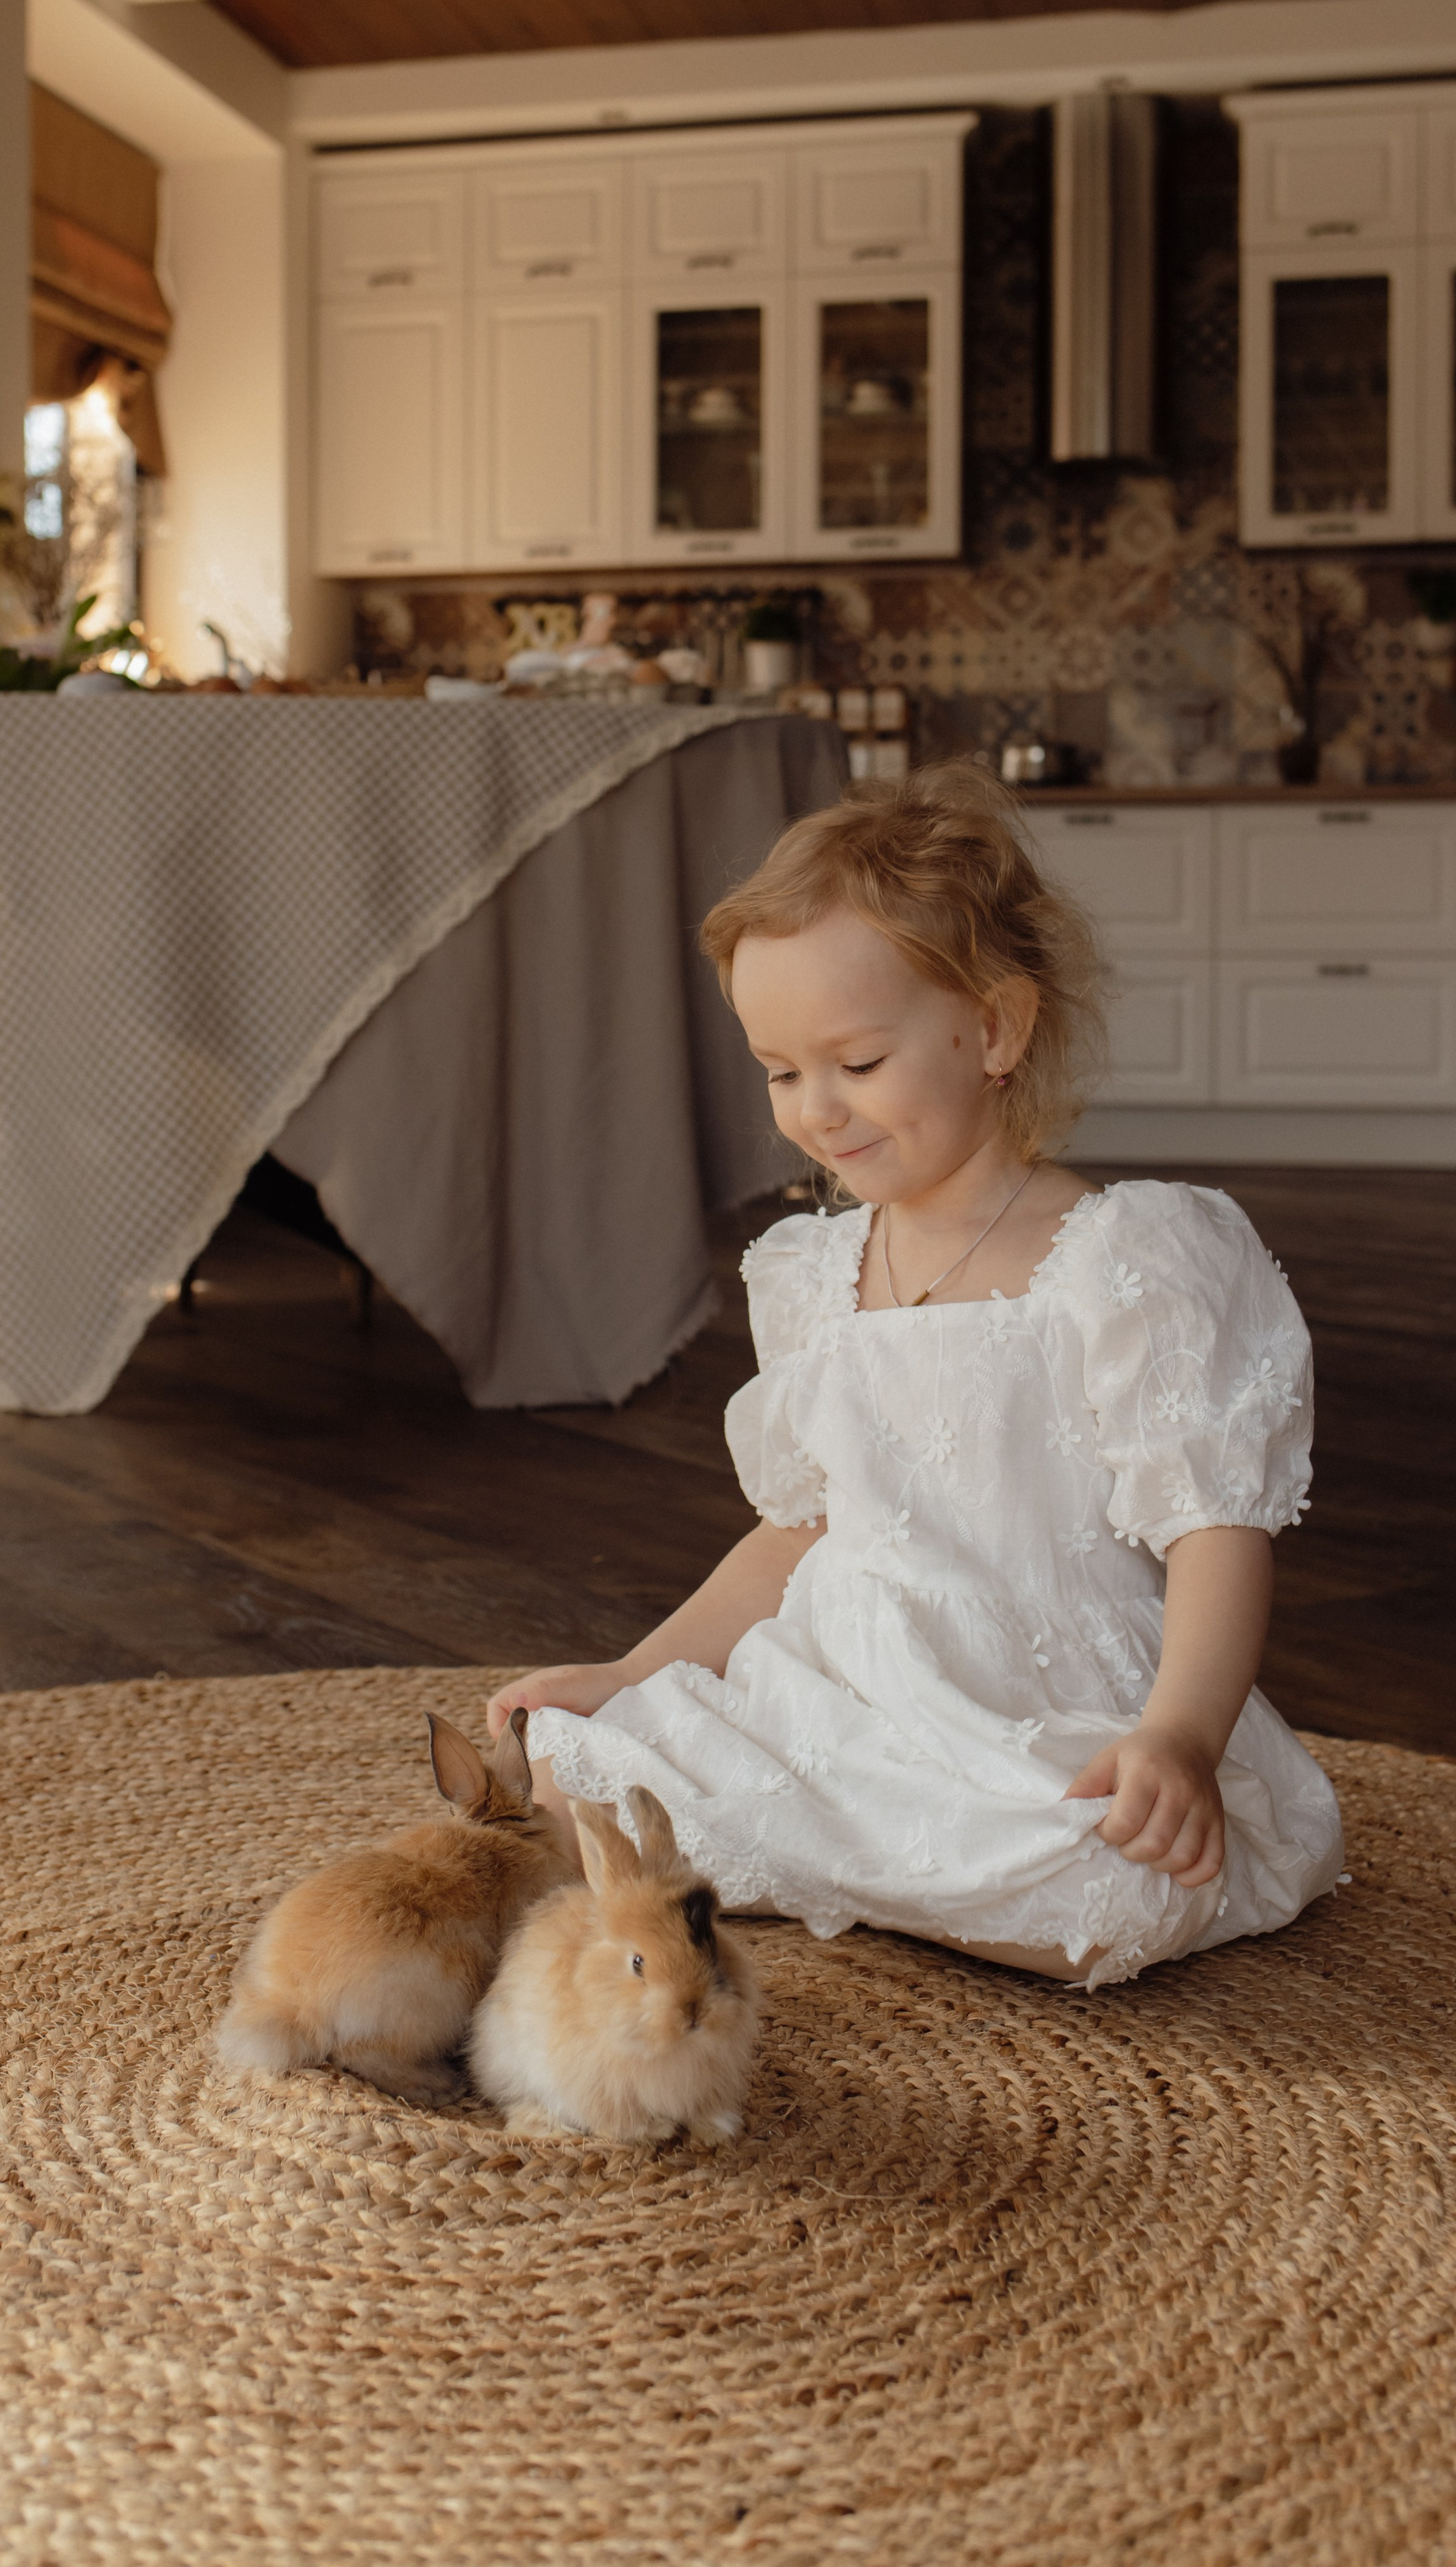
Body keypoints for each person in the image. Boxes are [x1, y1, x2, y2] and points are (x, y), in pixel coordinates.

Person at [490, 767, 1344, 1986]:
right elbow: (798, 1533)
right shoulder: (815, 1272)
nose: (818, 1112)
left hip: (1034, 1703)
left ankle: (865, 1867)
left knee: (1112, 1878)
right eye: (783, 1073)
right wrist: (636, 1673)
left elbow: (1216, 1531)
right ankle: (861, 1860)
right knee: (587, 1756)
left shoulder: (1123, 1258)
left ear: (994, 1030)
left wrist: (1179, 1736)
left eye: (859, 1061)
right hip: (849, 1682)